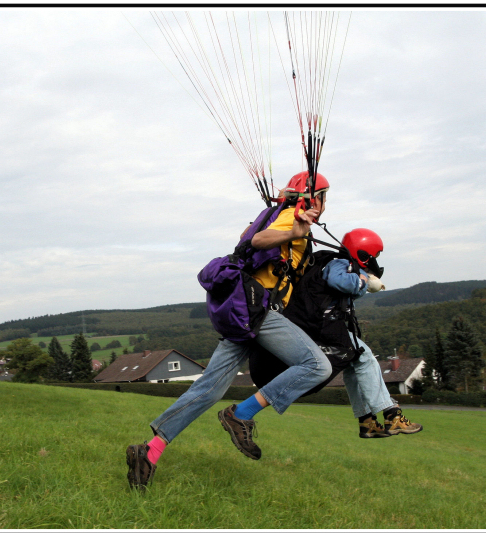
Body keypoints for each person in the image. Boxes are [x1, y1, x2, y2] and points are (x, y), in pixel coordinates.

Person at [126, 171, 333, 490]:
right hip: (260, 310)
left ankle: (149, 452)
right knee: (317, 366)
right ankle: (241, 414)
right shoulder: (292, 217)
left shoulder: (274, 214)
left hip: (243, 313)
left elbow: (247, 237)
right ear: (312, 197)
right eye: (324, 195)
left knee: (209, 388)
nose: (326, 203)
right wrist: (293, 228)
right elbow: (257, 241)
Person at [250, 228, 423, 439]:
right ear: (363, 253)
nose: (375, 261)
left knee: (355, 362)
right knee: (366, 356)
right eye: (374, 256)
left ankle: (367, 421)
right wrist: (365, 282)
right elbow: (337, 281)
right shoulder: (341, 263)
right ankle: (392, 415)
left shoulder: (333, 262)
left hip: (317, 326)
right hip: (321, 328)